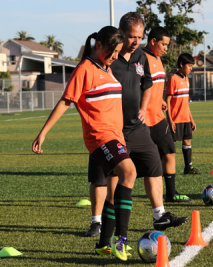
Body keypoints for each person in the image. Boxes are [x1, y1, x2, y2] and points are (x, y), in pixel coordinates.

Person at [32, 26, 133, 261]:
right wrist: (43, 133)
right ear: (99, 46)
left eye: (118, 52)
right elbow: (65, 102)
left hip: (116, 137)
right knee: (130, 171)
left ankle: (103, 243)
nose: (115, 56)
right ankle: (122, 240)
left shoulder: (106, 68)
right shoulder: (85, 69)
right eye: (112, 51)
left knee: (114, 191)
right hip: (100, 137)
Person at [85, 12, 188, 241]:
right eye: (132, 37)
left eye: (140, 37)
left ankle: (159, 214)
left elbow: (148, 84)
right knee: (103, 179)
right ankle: (97, 222)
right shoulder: (107, 58)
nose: (136, 41)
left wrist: (143, 107)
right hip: (110, 131)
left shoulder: (141, 56)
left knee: (153, 164)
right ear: (120, 34)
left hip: (136, 128)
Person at [143, 27, 192, 202]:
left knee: (170, 151)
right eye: (163, 44)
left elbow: (154, 86)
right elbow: (137, 86)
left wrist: (161, 101)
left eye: (167, 45)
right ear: (153, 42)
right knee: (135, 163)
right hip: (143, 120)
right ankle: (116, 197)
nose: (166, 48)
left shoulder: (158, 59)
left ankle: (171, 193)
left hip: (158, 117)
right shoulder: (142, 59)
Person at [166, 53, 201, 175]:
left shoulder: (186, 79)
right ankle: (169, 169)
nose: (191, 68)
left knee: (187, 142)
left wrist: (191, 119)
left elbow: (185, 103)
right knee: (171, 146)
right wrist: (170, 120)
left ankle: (188, 168)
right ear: (181, 65)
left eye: (192, 66)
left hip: (185, 118)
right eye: (189, 66)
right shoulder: (173, 79)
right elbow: (168, 101)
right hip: (175, 119)